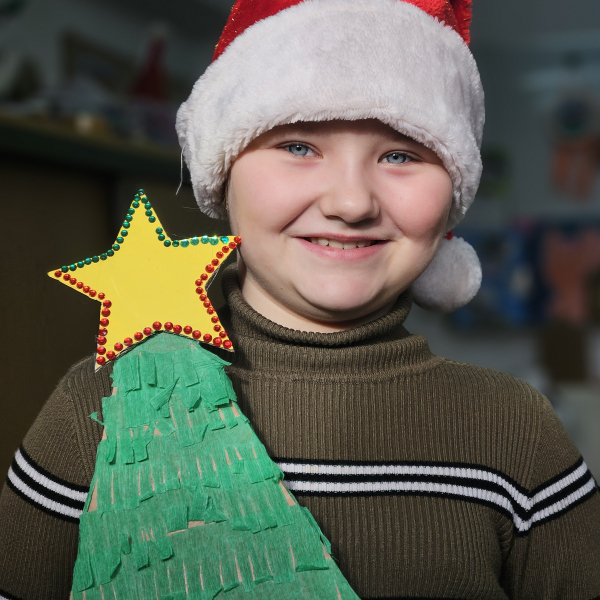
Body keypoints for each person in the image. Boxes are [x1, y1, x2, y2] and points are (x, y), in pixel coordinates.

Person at [1, 0, 599, 598]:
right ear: (223, 172)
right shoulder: (98, 408)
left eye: (400, 155)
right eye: (298, 146)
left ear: (451, 198)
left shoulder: (516, 431)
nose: (351, 203)